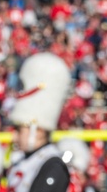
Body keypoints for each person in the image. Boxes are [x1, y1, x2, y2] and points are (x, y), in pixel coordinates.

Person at [5, 52, 73, 192]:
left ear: (38, 131)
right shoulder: (24, 161)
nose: (14, 136)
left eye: (19, 129)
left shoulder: (52, 166)